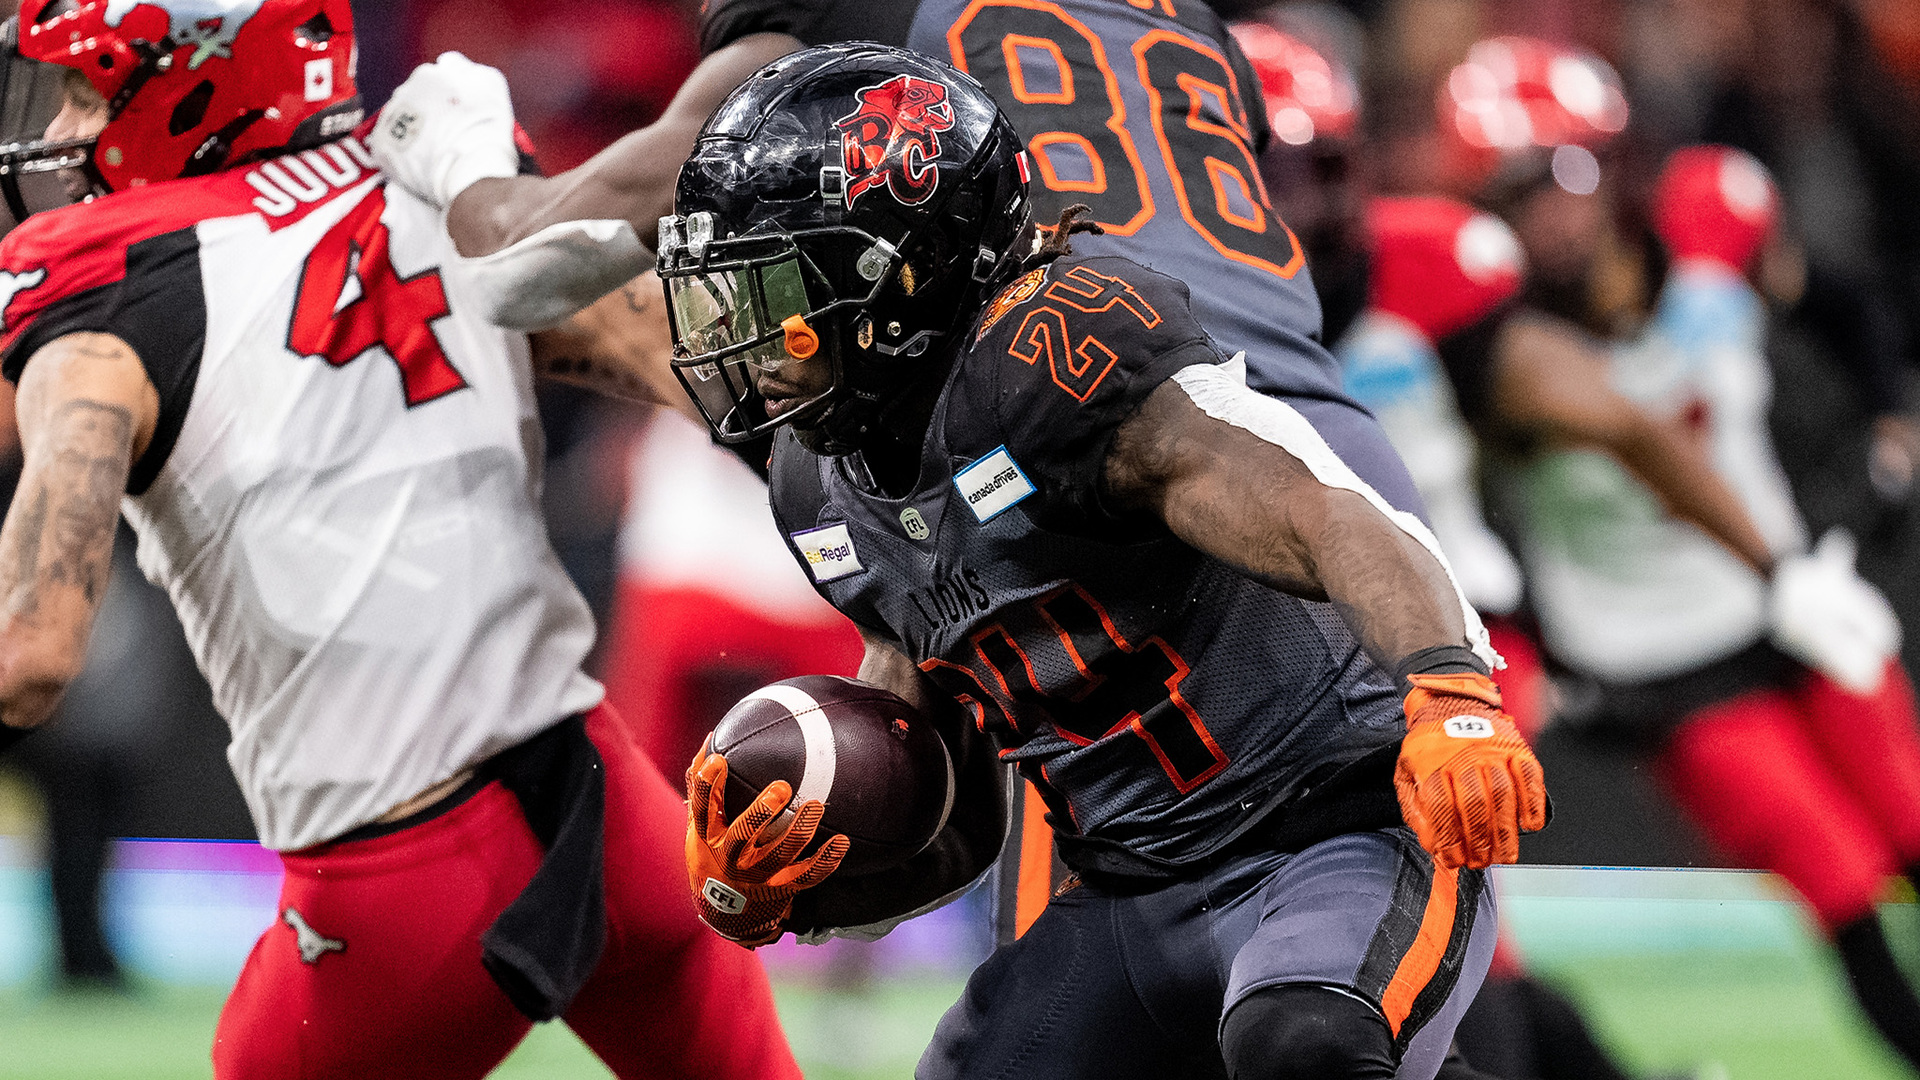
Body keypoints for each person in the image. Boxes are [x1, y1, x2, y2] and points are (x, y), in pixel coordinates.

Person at [646, 44, 1540, 1080]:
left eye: (776, 292)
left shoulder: (1051, 356)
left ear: (898, 271)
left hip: (1332, 823)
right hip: (1133, 884)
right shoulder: (820, 481)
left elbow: (1325, 513)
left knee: (1304, 1052)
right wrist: (802, 886)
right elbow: (957, 818)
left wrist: (1448, 685)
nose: (748, 342)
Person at [0, 2, 799, 1077]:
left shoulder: (108, 294)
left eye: (88, 87)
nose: (62, 119)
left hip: (398, 882)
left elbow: (29, 657)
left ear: (191, 81)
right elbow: (723, 379)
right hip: (612, 811)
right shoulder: (435, 177)